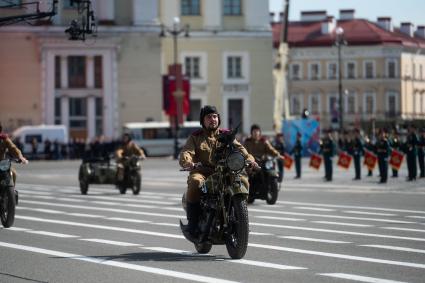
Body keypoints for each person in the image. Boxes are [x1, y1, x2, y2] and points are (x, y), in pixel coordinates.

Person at [179, 105, 257, 241]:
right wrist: (188, 162)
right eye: (208, 117)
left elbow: (241, 149)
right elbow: (187, 152)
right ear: (202, 121)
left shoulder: (227, 135)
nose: (212, 119)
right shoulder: (195, 137)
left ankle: (241, 220)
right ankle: (193, 224)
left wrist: (250, 160)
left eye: (215, 116)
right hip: (203, 172)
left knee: (242, 179)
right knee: (195, 182)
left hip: (225, 171)